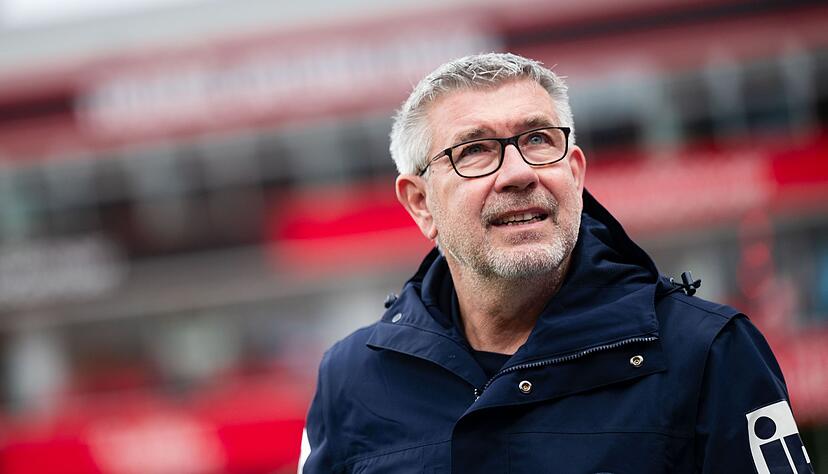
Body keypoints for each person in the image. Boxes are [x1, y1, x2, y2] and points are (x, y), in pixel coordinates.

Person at [297, 53, 814, 474]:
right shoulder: (349, 380)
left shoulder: (709, 352)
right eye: (475, 150)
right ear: (420, 203)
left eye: (538, 140)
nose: (519, 173)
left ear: (576, 172)